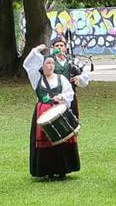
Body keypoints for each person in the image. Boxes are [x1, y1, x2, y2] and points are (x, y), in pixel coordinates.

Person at [23, 44, 81, 179]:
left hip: (59, 110)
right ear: (42, 65)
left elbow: (69, 93)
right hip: (43, 112)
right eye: (47, 63)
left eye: (52, 63)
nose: (50, 66)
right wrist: (35, 50)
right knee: (46, 139)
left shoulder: (61, 78)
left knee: (62, 138)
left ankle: (62, 169)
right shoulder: (36, 78)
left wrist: (62, 97)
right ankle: (46, 169)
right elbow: (28, 65)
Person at [48, 36, 90, 116]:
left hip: (70, 95)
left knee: (72, 119)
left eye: (61, 45)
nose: (59, 48)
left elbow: (85, 75)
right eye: (57, 46)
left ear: (65, 47)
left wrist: (79, 78)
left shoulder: (73, 61)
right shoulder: (49, 61)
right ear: (53, 48)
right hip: (55, 95)